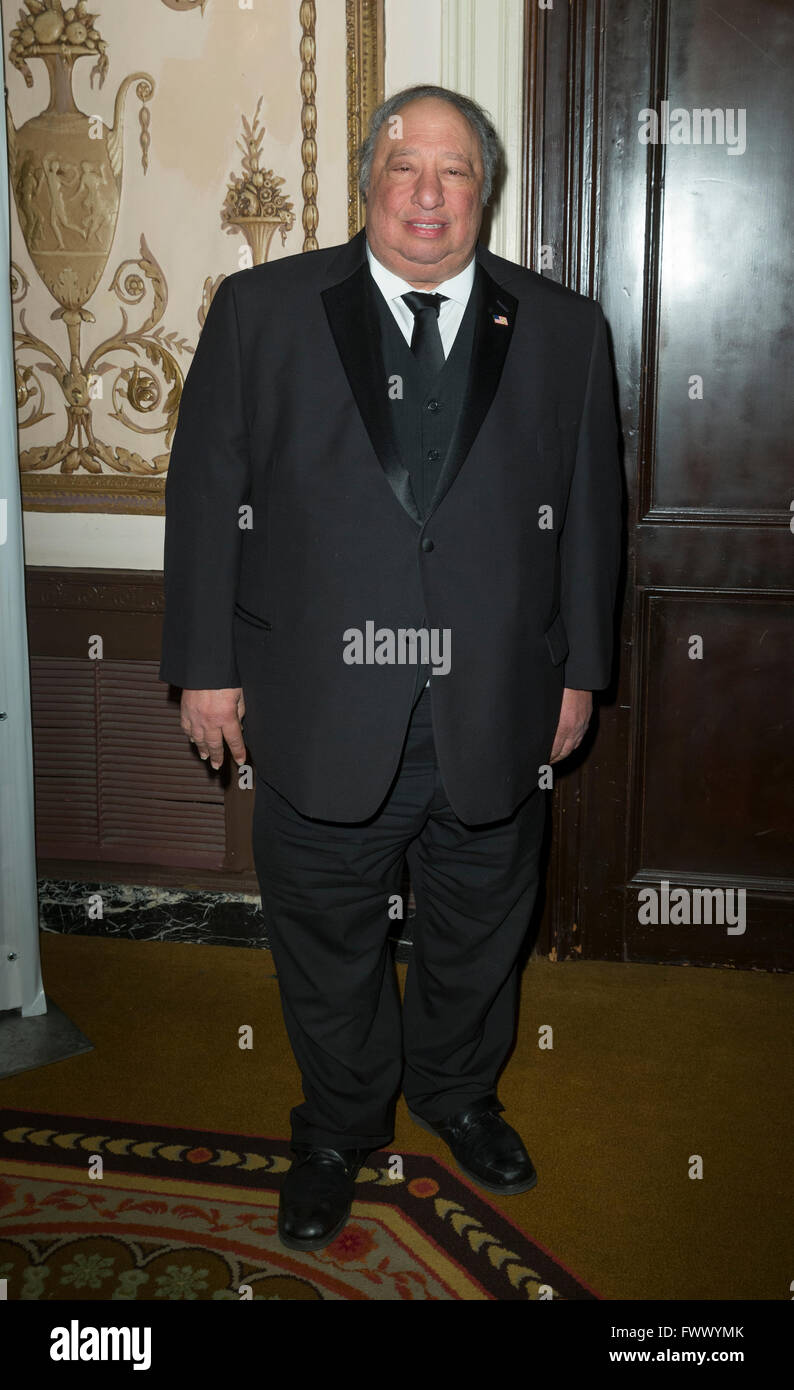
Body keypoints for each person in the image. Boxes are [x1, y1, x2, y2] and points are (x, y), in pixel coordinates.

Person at [159, 85, 622, 1252]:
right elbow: (208, 494)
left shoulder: (563, 328)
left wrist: (580, 675)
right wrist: (204, 671)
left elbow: (590, 522)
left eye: (454, 170)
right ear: (365, 176)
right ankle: (338, 1123)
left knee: (476, 925)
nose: (426, 191)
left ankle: (460, 1094)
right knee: (324, 931)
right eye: (404, 165)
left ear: (485, 190)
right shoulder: (261, 310)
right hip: (317, 700)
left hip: (497, 700)